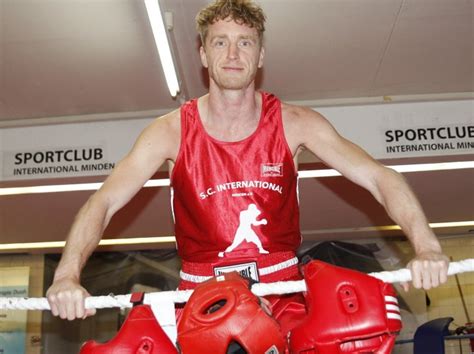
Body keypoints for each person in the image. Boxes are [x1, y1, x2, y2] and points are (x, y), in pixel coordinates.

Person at [46, 0, 449, 331]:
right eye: (220, 43)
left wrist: (428, 247)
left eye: (245, 42)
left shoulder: (295, 123)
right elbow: (104, 202)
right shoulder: (168, 132)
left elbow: (382, 179)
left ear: (261, 54)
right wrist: (66, 275)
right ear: (203, 55)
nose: (233, 54)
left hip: (284, 290)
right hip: (201, 293)